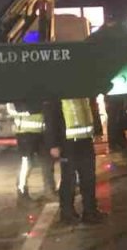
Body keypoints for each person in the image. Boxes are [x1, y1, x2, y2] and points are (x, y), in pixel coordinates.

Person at [45, 96, 105, 226]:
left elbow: (92, 108)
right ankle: (67, 214)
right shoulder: (57, 93)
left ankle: (90, 212)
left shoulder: (84, 90)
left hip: (85, 141)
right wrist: (53, 144)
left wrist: (98, 130)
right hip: (68, 143)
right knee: (69, 180)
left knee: (88, 178)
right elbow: (50, 118)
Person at [9, 101, 55, 204]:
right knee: (26, 164)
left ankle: (49, 191)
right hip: (25, 133)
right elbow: (11, 109)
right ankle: (22, 195)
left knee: (47, 162)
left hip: (42, 132)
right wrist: (33, 109)